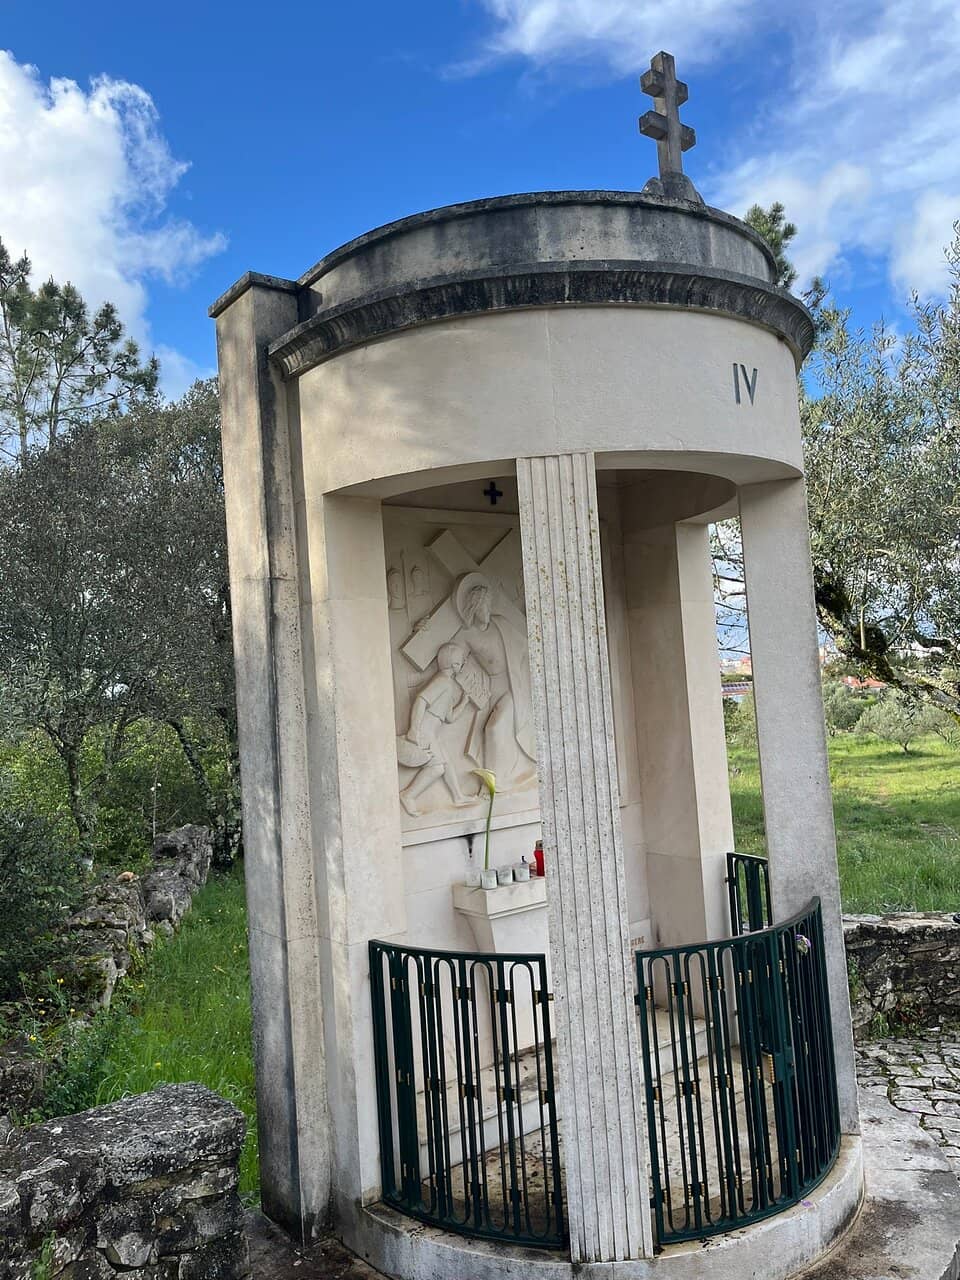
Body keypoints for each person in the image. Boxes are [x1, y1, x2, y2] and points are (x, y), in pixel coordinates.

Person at [397, 643, 472, 816]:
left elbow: (449, 717)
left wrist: (464, 702)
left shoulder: (448, 684)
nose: (464, 663)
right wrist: (414, 730)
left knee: (447, 763)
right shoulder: (442, 681)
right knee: (438, 768)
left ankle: (458, 796)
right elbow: (421, 700)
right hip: (425, 731)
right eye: (462, 660)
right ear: (454, 663)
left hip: (433, 733)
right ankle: (408, 796)